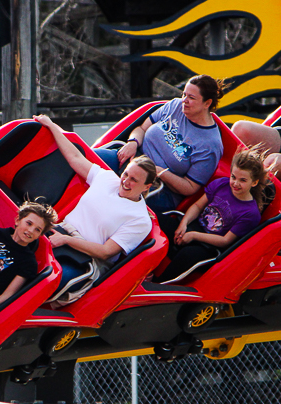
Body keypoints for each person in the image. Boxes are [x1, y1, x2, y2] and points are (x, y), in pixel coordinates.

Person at [34, 115, 156, 304]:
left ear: (146, 187)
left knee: (50, 278)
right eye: (126, 174)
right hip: (61, 231)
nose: (125, 181)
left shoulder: (140, 219)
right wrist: (51, 126)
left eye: (134, 180)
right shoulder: (108, 178)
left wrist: (66, 240)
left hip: (86, 257)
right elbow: (74, 157)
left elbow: (105, 252)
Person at [94, 75, 227, 213]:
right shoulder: (175, 106)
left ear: (207, 103)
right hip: (134, 160)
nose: (184, 101)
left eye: (191, 98)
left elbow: (190, 187)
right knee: (87, 158)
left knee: (113, 195)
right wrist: (133, 142)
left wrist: (159, 171)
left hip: (159, 186)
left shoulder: (211, 144)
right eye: (184, 94)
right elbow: (141, 129)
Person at [153, 147, 267, 283]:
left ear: (254, 182)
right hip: (193, 227)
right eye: (233, 177)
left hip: (208, 246)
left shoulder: (250, 213)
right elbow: (197, 206)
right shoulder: (222, 184)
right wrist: (183, 224)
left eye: (243, 180)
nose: (235, 183)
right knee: (156, 219)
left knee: (187, 255)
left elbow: (226, 241)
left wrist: (193, 235)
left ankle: (156, 283)